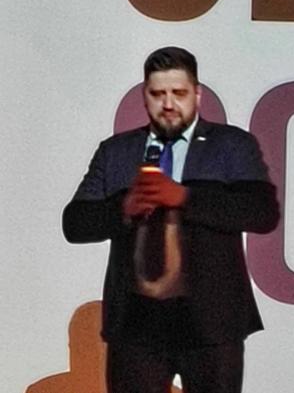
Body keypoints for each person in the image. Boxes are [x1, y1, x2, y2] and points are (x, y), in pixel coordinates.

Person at [62, 46, 279, 393]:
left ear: (197, 94)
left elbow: (262, 213)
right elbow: (74, 224)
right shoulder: (117, 151)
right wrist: (124, 208)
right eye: (157, 94)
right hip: (137, 326)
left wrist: (183, 198)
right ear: (144, 96)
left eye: (178, 93)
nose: (168, 104)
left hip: (211, 324)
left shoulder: (231, 146)